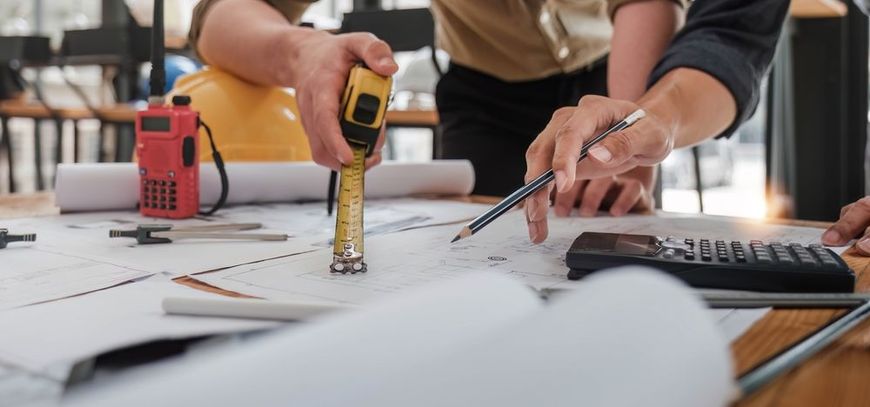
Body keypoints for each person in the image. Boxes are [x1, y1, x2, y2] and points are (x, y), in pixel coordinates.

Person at [189, 0, 685, 216]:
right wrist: (303, 52)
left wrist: (629, 119)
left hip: (613, 70)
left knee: (612, 242)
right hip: (485, 91)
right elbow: (217, 18)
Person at [523, 0, 790, 242]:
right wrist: (647, 123)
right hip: (491, 86)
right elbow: (730, 33)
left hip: (613, 57)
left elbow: (730, 34)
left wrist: (634, 154)